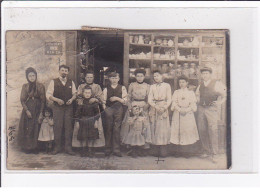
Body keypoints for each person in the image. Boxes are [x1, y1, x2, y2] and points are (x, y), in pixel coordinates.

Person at [195, 67, 227, 162]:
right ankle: (206, 151)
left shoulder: (217, 83)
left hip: (211, 109)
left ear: (210, 74)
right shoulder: (200, 85)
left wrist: (219, 103)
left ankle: (215, 154)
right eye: (203, 73)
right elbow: (197, 95)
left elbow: (225, 94)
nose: (204, 75)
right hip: (201, 109)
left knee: (213, 130)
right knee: (202, 129)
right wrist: (197, 100)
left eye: (206, 73)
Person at [46, 65, 77, 155]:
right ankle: (57, 147)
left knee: (68, 127)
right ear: (59, 71)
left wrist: (71, 99)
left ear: (68, 72)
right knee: (57, 127)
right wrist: (57, 100)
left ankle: (68, 148)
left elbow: (75, 94)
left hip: (68, 108)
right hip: (57, 108)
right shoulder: (53, 82)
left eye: (66, 71)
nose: (64, 72)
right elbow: (48, 95)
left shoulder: (71, 82)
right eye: (62, 70)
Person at [121, 68, 151, 155]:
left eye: (141, 76)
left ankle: (142, 148)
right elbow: (128, 97)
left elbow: (149, 98)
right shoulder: (132, 85)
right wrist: (130, 107)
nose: (139, 78)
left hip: (143, 106)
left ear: (144, 77)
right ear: (135, 77)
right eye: (138, 76)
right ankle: (133, 148)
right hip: (134, 105)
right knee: (132, 127)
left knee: (142, 127)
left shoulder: (147, 86)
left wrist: (146, 106)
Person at [72, 70, 105, 149]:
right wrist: (80, 100)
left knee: (95, 128)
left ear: (93, 78)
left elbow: (101, 98)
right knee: (81, 129)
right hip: (83, 109)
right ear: (85, 78)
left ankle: (94, 146)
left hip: (93, 110)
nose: (89, 79)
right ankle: (81, 146)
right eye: (88, 77)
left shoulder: (97, 86)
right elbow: (78, 96)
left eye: (91, 77)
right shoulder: (81, 86)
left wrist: (95, 99)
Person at [170, 75, 199, 157]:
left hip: (188, 113)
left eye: (183, 82)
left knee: (187, 131)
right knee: (177, 130)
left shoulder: (191, 93)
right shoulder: (176, 92)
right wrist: (179, 110)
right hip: (178, 113)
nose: (181, 84)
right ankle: (177, 152)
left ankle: (187, 152)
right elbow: (174, 103)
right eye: (180, 82)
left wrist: (185, 110)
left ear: (187, 83)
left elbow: (193, 104)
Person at [18, 67, 45, 154]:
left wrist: (41, 113)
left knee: (36, 127)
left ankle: (35, 147)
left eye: (33, 75)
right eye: (30, 76)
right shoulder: (25, 86)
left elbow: (43, 100)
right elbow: (22, 100)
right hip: (28, 108)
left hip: (37, 108)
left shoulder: (41, 86)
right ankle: (27, 147)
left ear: (36, 76)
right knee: (28, 128)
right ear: (27, 77)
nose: (32, 77)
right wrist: (26, 110)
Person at [103, 72, 128, 157]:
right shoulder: (106, 89)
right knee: (108, 128)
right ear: (109, 79)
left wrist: (117, 98)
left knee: (117, 128)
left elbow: (125, 101)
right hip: (109, 109)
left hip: (118, 109)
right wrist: (105, 109)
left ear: (119, 79)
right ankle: (108, 149)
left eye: (116, 78)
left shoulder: (122, 88)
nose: (114, 80)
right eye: (112, 78)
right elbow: (103, 101)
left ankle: (116, 149)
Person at [148, 69, 172, 157]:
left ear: (162, 76)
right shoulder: (152, 87)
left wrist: (164, 108)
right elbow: (149, 99)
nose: (156, 77)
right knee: (154, 127)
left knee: (163, 129)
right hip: (154, 108)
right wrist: (156, 107)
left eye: (157, 75)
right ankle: (155, 149)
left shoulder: (167, 86)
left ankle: (163, 150)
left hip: (163, 107)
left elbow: (169, 99)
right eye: (154, 76)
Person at [74, 86, 100, 157]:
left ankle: (90, 150)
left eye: (89, 93)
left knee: (91, 136)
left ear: (91, 93)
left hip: (91, 121)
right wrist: (77, 122)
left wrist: (96, 121)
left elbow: (97, 113)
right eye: (86, 92)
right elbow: (77, 113)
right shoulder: (81, 102)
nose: (87, 94)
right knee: (83, 136)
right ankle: (83, 150)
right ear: (83, 93)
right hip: (83, 121)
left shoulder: (94, 103)